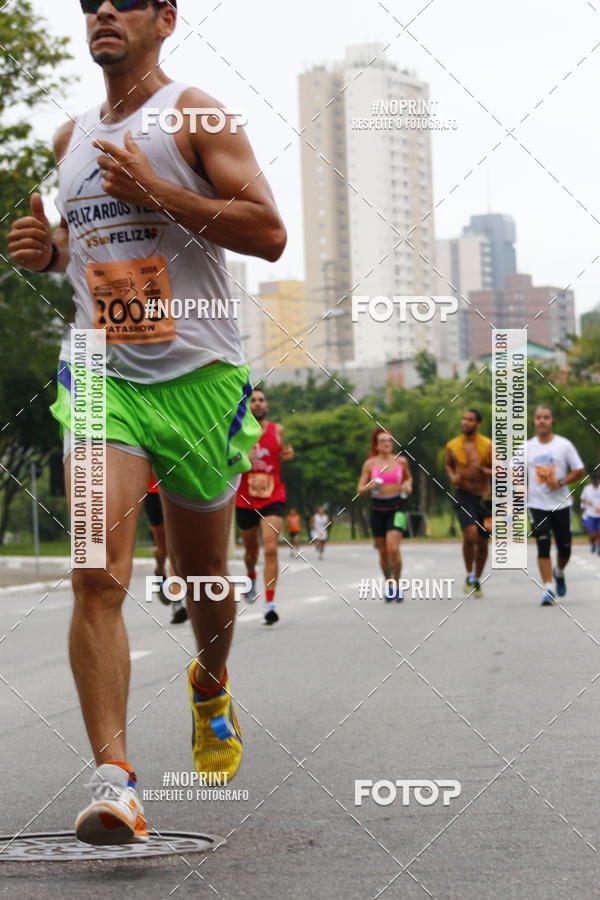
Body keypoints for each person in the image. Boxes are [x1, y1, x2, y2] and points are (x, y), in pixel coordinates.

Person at [8, 0, 286, 845]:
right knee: (96, 573)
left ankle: (210, 681)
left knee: (204, 577)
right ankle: (115, 780)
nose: (102, 11)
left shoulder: (197, 115)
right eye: (88, 1)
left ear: (165, 18)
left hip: (199, 378)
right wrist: (51, 253)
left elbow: (269, 233)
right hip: (102, 374)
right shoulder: (70, 139)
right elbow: (90, 252)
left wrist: (157, 189)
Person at [235, 389, 294, 625]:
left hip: (272, 496)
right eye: (253, 401)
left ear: (267, 404)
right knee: (251, 553)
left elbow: (281, 454)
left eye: (261, 400)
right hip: (244, 498)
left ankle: (269, 604)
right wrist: (242, 456)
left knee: (270, 548)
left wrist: (287, 454)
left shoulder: (277, 430)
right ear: (247, 406)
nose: (258, 404)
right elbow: (228, 459)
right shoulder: (238, 430)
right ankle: (250, 575)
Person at [527, 407, 586, 605]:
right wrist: (519, 486)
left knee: (565, 549)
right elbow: (513, 470)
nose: (542, 421)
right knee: (543, 544)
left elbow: (579, 470)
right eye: (538, 418)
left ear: (552, 421)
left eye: (546, 417)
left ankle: (559, 572)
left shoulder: (564, 445)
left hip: (561, 504)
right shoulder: (526, 447)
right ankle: (548, 588)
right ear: (534, 422)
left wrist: (560, 482)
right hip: (536, 504)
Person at [357, 428, 412, 602]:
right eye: (382, 441)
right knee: (383, 553)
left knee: (393, 549)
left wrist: (407, 485)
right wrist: (371, 485)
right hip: (377, 510)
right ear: (376, 445)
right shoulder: (369, 464)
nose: (387, 443)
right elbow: (359, 489)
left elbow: (408, 478)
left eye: (389, 440)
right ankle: (389, 585)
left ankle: (398, 585)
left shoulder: (401, 461)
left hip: (397, 508)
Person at [444, 409, 493, 598]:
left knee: (482, 542)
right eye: (464, 419)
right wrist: (452, 476)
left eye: (470, 420)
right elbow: (448, 465)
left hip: (485, 499)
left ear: (477, 424)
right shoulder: (453, 445)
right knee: (470, 535)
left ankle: (477, 579)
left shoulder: (487, 445)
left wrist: (484, 471)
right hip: (463, 495)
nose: (465, 422)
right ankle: (469, 574)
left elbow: (500, 469)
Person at [144, 472, 187, 624]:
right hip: (154, 494)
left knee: (175, 549)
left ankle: (177, 602)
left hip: (178, 492)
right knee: (164, 550)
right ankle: (159, 571)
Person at [580, 470, 600, 554]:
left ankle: (599, 547)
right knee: (592, 533)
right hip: (590, 514)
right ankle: (593, 544)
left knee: (599, 532)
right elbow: (582, 499)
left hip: (599, 515)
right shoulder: (587, 489)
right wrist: (587, 502)